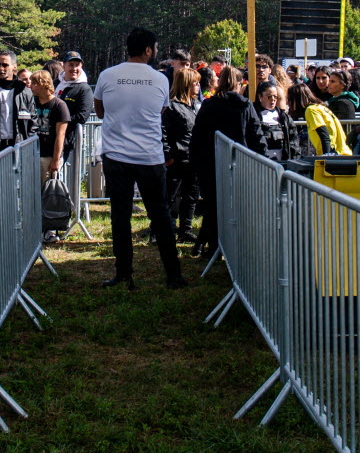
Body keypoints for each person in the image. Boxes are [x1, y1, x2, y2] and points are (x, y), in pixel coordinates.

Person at [94, 28, 185, 290]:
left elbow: (100, 110)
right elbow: (161, 110)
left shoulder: (107, 75)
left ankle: (123, 273)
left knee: (119, 217)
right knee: (161, 216)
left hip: (117, 156)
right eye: (155, 48)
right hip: (150, 157)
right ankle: (173, 275)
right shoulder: (159, 79)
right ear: (148, 50)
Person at [189, 64, 264, 259]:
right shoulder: (246, 105)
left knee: (213, 207)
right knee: (240, 208)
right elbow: (256, 136)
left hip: (211, 165)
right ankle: (238, 248)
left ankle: (213, 247)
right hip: (241, 165)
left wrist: (196, 162)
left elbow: (197, 136)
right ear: (239, 84)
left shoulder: (209, 105)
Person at [162, 69, 201, 241]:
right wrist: (168, 156)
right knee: (169, 197)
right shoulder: (171, 107)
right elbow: (162, 133)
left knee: (191, 195)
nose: (198, 86)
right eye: (195, 83)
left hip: (192, 158)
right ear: (186, 84)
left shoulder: (194, 106)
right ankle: (164, 230)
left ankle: (185, 229)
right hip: (176, 159)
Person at [30, 70, 70, 225]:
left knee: (47, 194)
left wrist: (55, 159)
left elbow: (60, 135)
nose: (31, 87)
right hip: (32, 154)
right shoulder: (31, 102)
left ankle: (49, 227)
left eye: (35, 83)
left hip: (47, 156)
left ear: (44, 84)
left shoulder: (59, 105)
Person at [253, 79, 297, 164]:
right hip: (261, 161)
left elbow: (293, 140)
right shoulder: (254, 115)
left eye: (275, 96)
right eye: (269, 96)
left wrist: (294, 160)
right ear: (260, 97)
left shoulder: (283, 117)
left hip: (282, 160)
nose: (273, 99)